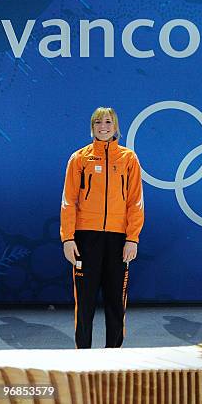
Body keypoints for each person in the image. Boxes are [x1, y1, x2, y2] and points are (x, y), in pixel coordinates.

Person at [60, 107, 144, 348]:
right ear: (92, 127)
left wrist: (132, 238)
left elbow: (135, 202)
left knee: (116, 303)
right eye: (98, 122)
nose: (103, 126)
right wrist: (68, 238)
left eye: (108, 122)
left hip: (118, 240)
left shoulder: (128, 159)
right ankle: (83, 359)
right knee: (85, 303)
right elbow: (69, 201)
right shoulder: (79, 158)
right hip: (86, 238)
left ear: (116, 126)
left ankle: (113, 356)